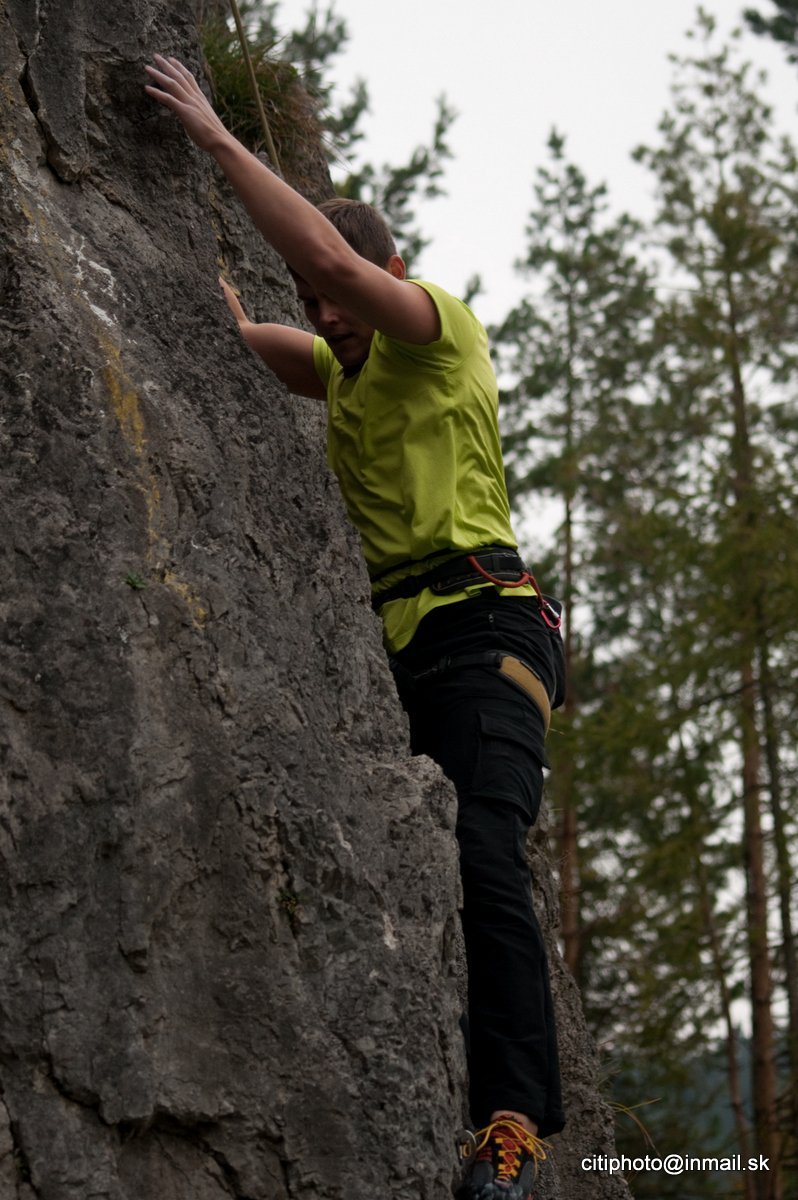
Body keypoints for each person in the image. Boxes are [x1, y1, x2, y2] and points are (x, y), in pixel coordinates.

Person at [145, 53, 566, 1200]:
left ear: (393, 274)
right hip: (409, 650)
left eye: (340, 294)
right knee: (423, 857)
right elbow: (238, 333)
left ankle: (513, 1126)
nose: (327, 313)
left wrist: (218, 138)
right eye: (313, 301)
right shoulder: (343, 370)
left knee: (483, 845)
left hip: (489, 628)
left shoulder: (437, 333)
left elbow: (331, 263)